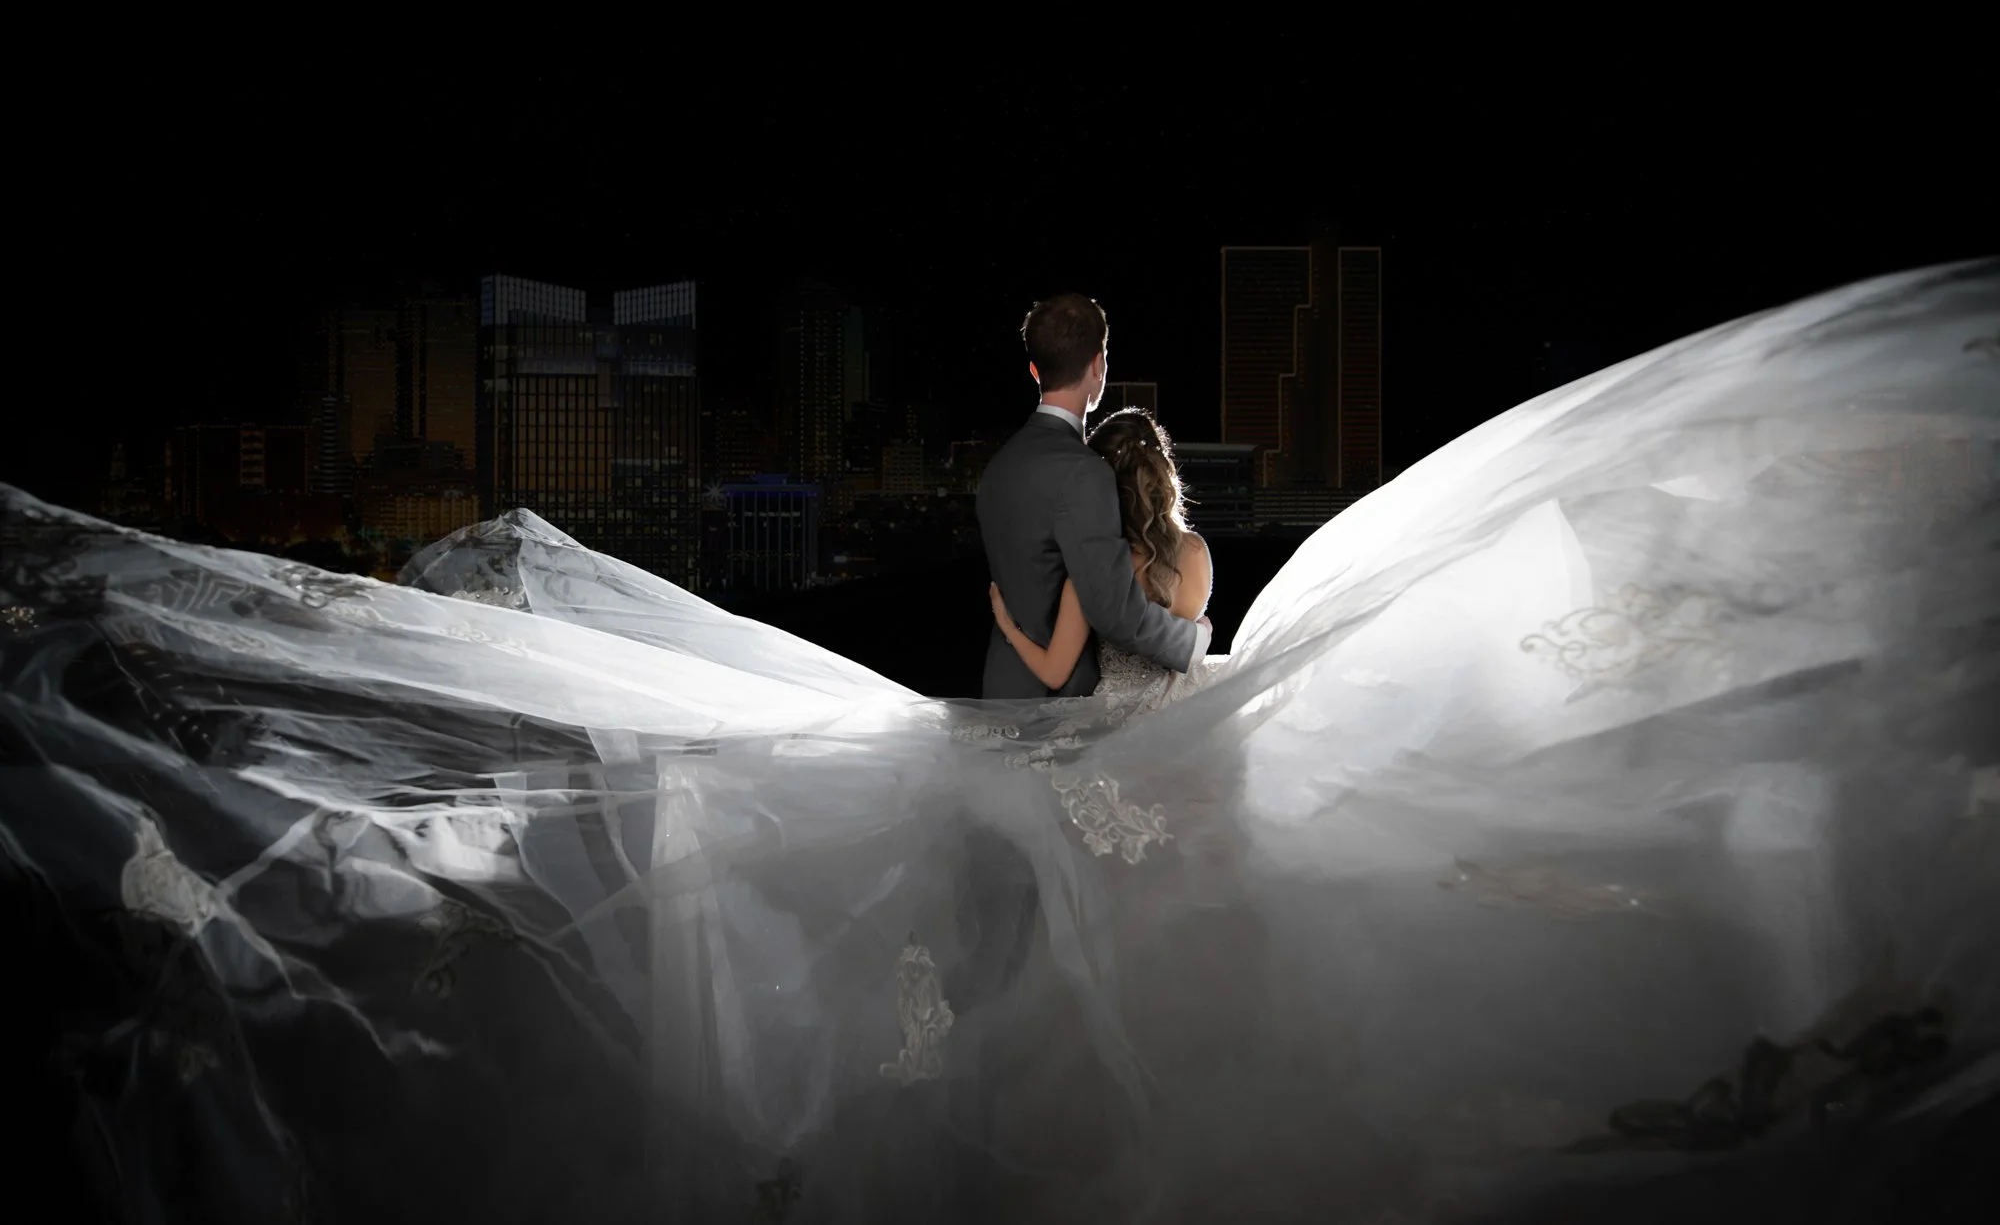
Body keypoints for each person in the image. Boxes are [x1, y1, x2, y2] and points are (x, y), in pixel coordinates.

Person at [6, 260, 1997, 1224]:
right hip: (1152, 752)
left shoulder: (997, 482)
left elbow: (1038, 645)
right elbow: (1158, 639)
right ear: (1117, 393)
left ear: (1042, 399)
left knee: (991, 958)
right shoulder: (1193, 550)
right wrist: (1143, 641)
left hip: (1042, 738)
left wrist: (1052, 660)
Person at [974, 294, 1210, 701]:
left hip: (1003, 688)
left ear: (1035, 371)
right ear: (1099, 363)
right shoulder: (1086, 472)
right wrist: (1192, 641)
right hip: (1064, 706)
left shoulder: (998, 467)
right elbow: (1114, 611)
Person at [988, 406, 1221, 716]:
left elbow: (1054, 672)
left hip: (1118, 724)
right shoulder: (1197, 551)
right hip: (1191, 715)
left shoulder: (1096, 572)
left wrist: (1008, 625)